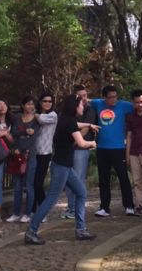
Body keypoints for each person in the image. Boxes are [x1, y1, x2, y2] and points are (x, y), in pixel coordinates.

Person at [25, 94, 99, 245]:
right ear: (74, 106)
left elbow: (76, 126)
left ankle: (81, 229)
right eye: (80, 105)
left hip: (63, 165)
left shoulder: (63, 119)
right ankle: (31, 231)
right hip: (61, 167)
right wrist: (92, 143)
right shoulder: (69, 122)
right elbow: (81, 143)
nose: (83, 107)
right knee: (51, 199)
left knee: (81, 192)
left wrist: (88, 125)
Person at [90, 85, 135, 217]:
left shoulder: (124, 105)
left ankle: (129, 205)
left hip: (118, 148)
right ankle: (104, 207)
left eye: (115, 96)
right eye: (110, 97)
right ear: (104, 97)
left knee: (123, 177)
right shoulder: (98, 104)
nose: (113, 99)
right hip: (102, 149)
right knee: (104, 179)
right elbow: (86, 100)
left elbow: (139, 106)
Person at [64, 84, 97, 219]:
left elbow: (84, 130)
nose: (84, 98)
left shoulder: (89, 110)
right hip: (69, 149)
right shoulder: (70, 110)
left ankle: (76, 209)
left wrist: (75, 140)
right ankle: (71, 207)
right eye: (81, 96)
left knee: (78, 178)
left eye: (85, 95)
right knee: (68, 178)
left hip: (80, 148)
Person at [6, 96, 40, 223]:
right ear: (23, 105)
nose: (30, 107)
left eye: (32, 104)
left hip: (30, 155)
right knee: (17, 186)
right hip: (17, 154)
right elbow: (13, 134)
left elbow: (34, 137)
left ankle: (27, 213)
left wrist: (22, 146)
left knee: (29, 185)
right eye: (28, 104)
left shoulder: (36, 119)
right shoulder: (17, 118)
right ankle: (15, 212)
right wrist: (25, 132)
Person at [33, 92, 57, 216]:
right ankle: (32, 209)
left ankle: (42, 211)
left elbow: (41, 119)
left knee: (38, 182)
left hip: (45, 152)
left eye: (49, 101)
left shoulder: (53, 115)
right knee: (32, 182)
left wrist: (34, 114)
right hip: (33, 152)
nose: (47, 103)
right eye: (45, 101)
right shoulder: (36, 114)